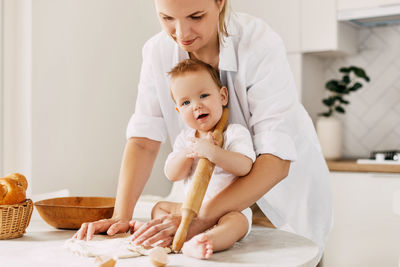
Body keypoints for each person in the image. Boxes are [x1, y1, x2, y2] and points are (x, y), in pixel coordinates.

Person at [75, 0, 332, 260]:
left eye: (195, 17)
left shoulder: (259, 43)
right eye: (166, 18)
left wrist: (198, 219)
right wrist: (121, 216)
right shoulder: (157, 52)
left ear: (220, 2)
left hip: (277, 195)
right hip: (206, 200)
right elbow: (144, 140)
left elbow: (276, 162)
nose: (182, 34)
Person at [149, 58, 255, 259]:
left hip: (226, 211)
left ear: (223, 96)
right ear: (179, 110)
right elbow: (173, 174)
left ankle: (206, 241)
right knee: (159, 208)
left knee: (238, 222)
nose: (196, 106)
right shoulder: (186, 139)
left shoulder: (233, 133)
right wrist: (189, 152)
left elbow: (244, 166)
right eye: (186, 102)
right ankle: (165, 233)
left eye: (204, 95)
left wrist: (213, 153)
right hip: (191, 208)